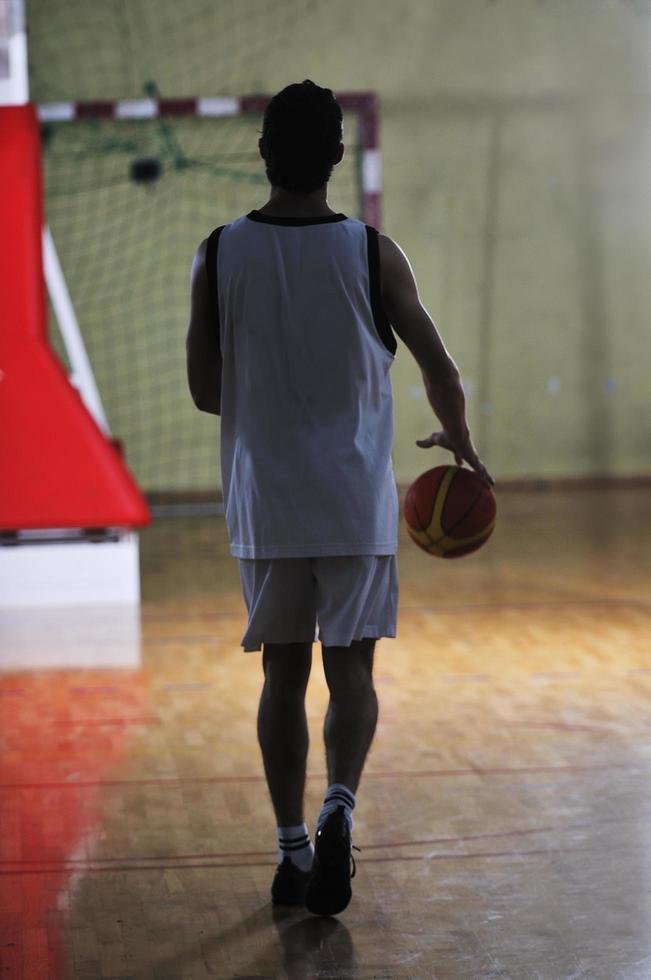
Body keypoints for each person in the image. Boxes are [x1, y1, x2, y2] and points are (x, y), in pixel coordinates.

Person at [186, 79, 493, 916]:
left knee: (281, 679)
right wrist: (458, 439)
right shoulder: (372, 252)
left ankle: (290, 853)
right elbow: (440, 369)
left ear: (263, 154)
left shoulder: (217, 252)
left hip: (265, 498)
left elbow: (205, 391)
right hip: (353, 499)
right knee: (351, 669)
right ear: (335, 157)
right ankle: (337, 810)